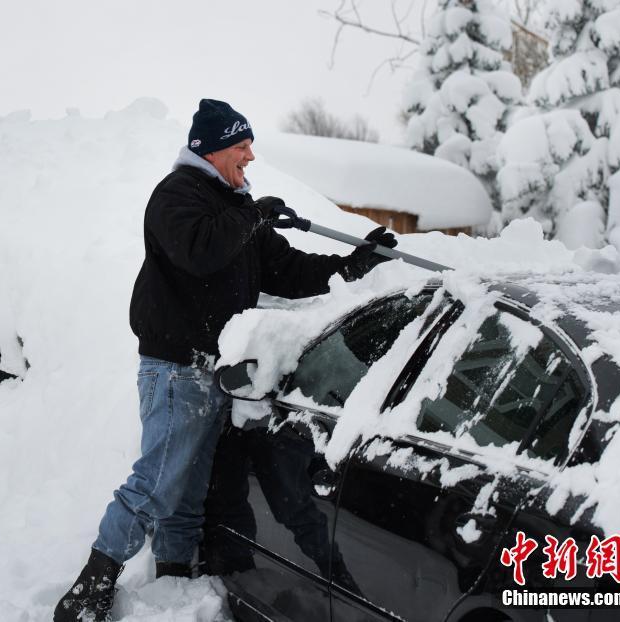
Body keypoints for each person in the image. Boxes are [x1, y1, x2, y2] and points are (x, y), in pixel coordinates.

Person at [52, 99, 396, 622]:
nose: (250, 156)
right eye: (241, 146)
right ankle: (90, 587)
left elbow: (287, 270)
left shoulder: (236, 206)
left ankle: (172, 583)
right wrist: (252, 214)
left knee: (188, 493)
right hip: (175, 369)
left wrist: (353, 264)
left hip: (214, 371)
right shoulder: (177, 196)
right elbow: (201, 252)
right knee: (157, 483)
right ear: (211, 150)